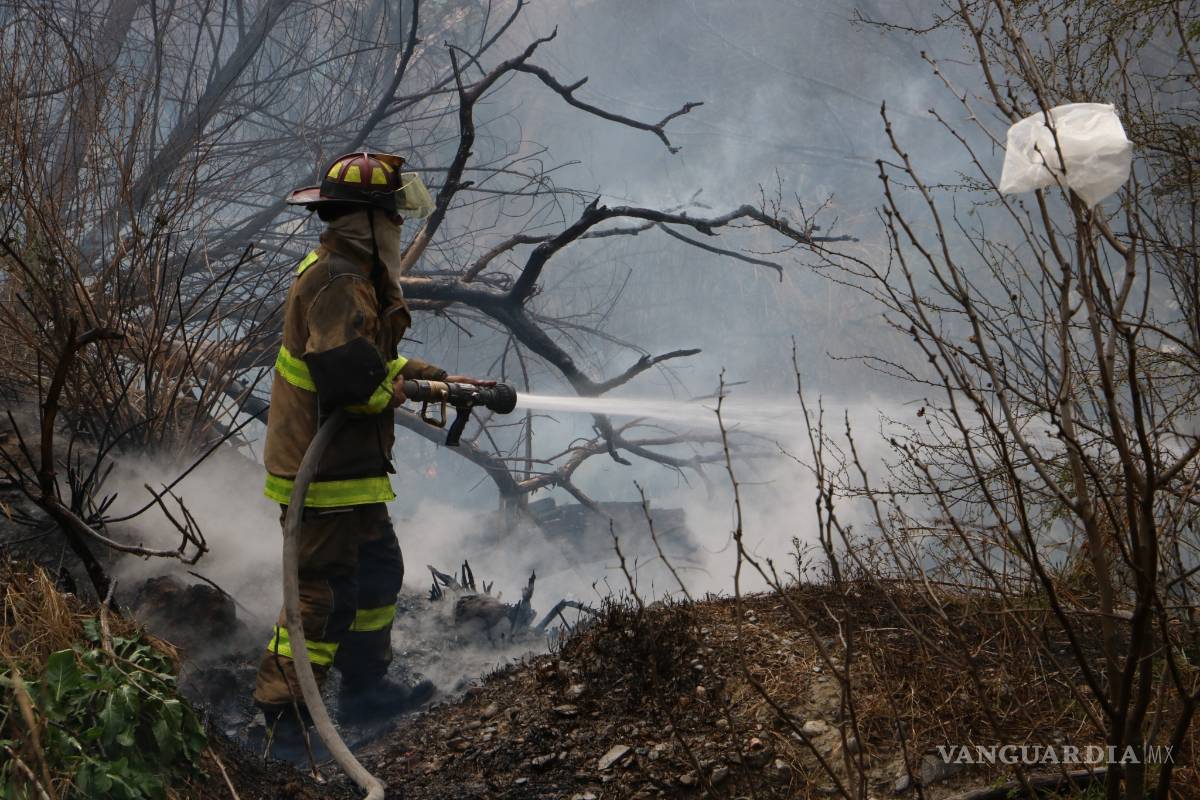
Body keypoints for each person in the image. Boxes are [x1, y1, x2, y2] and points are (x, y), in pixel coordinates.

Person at [253, 151, 492, 743]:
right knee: (320, 591)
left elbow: (367, 356)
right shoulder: (337, 281)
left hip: (348, 470)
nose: (399, 229)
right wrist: (413, 387)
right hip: (321, 469)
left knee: (378, 572)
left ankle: (364, 692)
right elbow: (351, 381)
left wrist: (440, 378)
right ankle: (285, 716)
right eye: (393, 218)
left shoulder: (353, 272)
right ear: (368, 221)